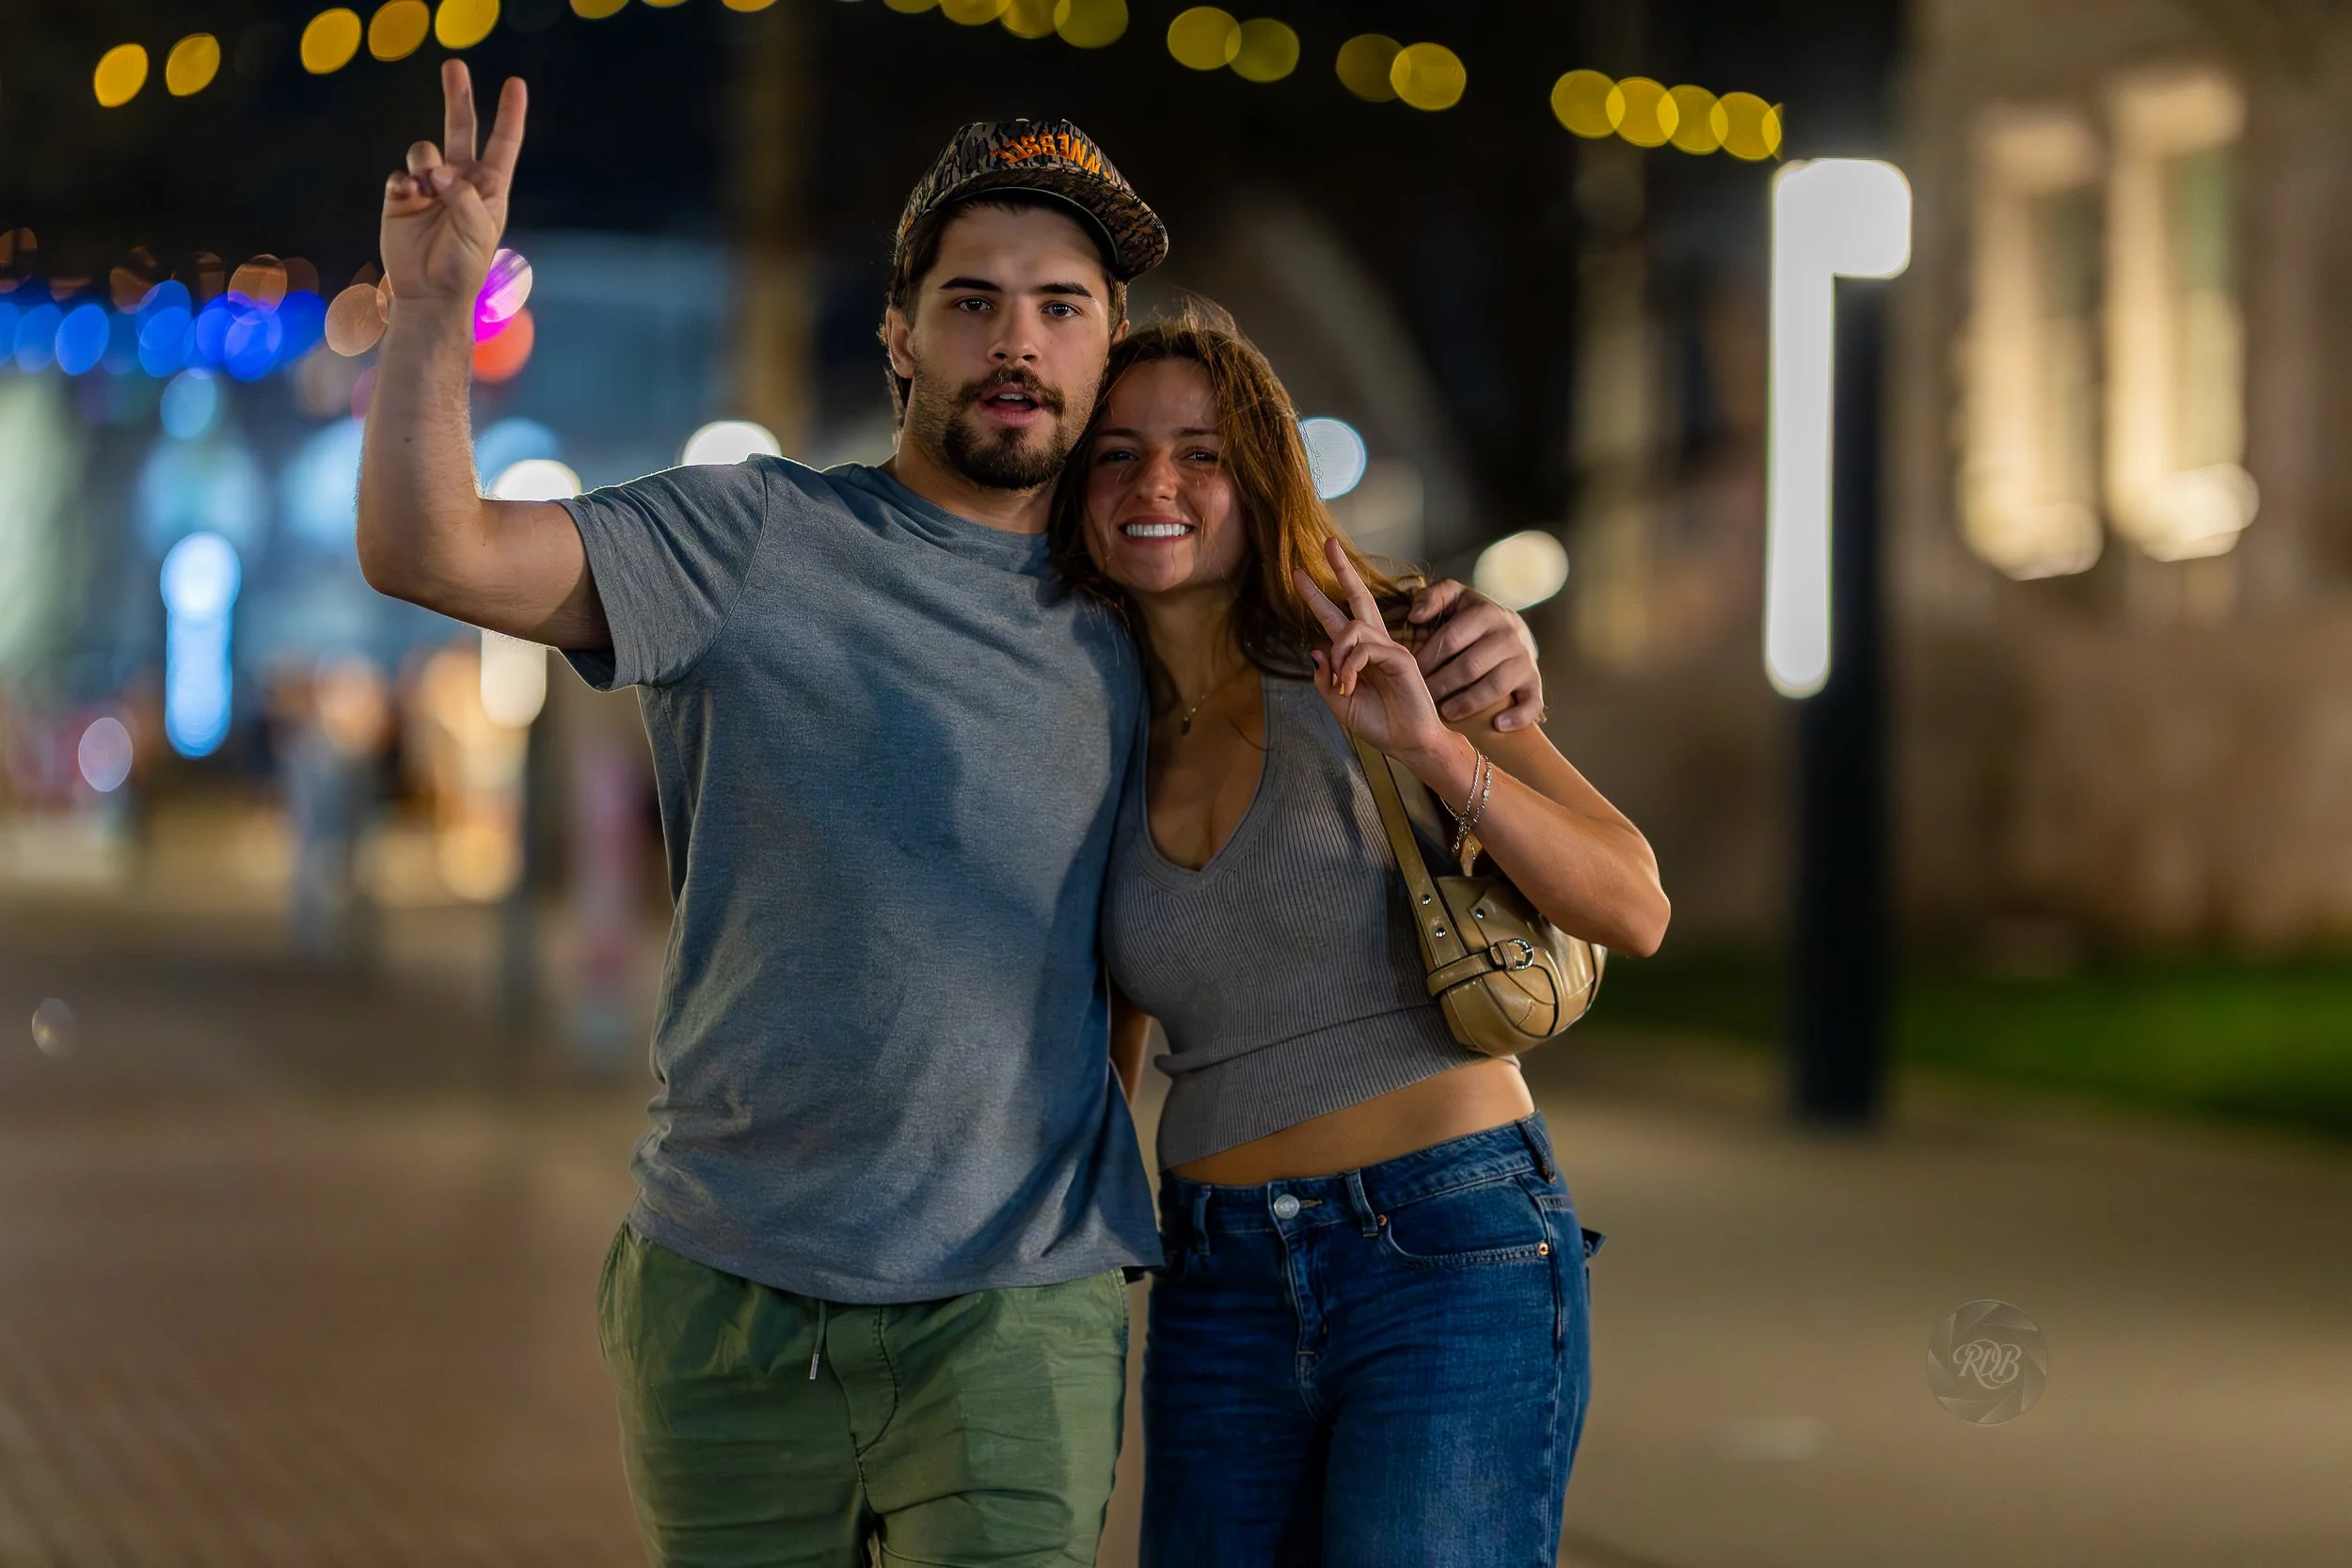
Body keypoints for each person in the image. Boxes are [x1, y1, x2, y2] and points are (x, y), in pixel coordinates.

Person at [354, 62, 1552, 1568]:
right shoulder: (749, 536)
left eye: (1061, 305)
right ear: (899, 335)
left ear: (1110, 343)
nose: (1018, 341)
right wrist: (428, 317)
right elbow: (428, 547)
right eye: (973, 300)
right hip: (731, 1288)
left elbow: (1365, 636)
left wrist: (1489, 649)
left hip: (1014, 1310)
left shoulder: (1146, 605)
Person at [1057, 313, 1671, 1567]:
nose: (1155, 484)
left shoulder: (1377, 632)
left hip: (1448, 1247)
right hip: (1216, 1273)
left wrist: (1433, 749)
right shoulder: (1087, 705)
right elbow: (1106, 1023)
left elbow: (1633, 902)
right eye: (1116, 455)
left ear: (1263, 474)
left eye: (1200, 453)